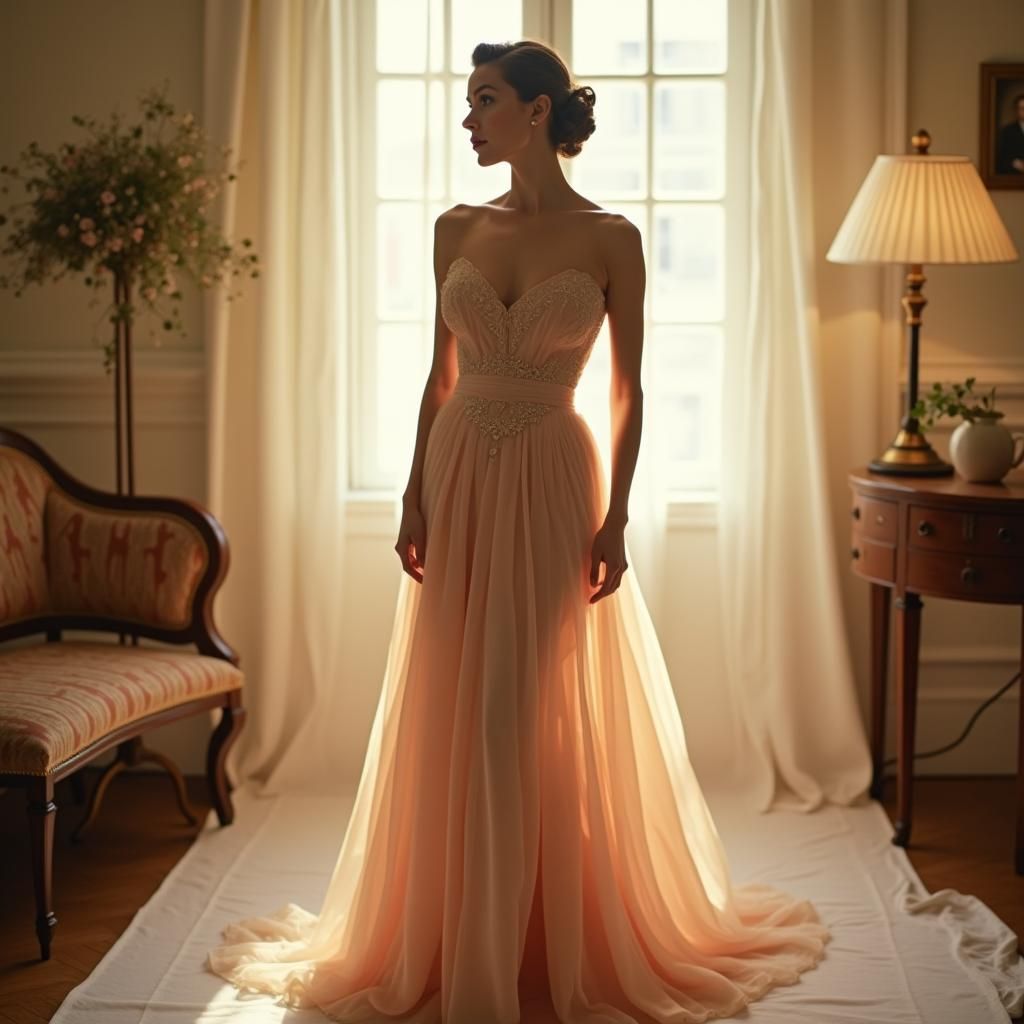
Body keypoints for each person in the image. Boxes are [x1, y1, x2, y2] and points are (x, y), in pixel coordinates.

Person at [206, 38, 830, 1023]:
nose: (468, 118)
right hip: (457, 472)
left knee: (524, 697)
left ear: (537, 112)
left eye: (484, 100)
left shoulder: (611, 238)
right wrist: (414, 492)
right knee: (456, 695)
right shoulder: (456, 226)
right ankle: (455, 932)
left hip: (551, 473)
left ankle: (541, 931)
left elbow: (626, 391)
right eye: (466, 100)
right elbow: (439, 375)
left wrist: (617, 514)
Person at [995, 92, 1024, 174]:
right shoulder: (1008, 131)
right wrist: (1018, 164)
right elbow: (1003, 157)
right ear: (1017, 110)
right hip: (1013, 176)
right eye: (1022, 108)